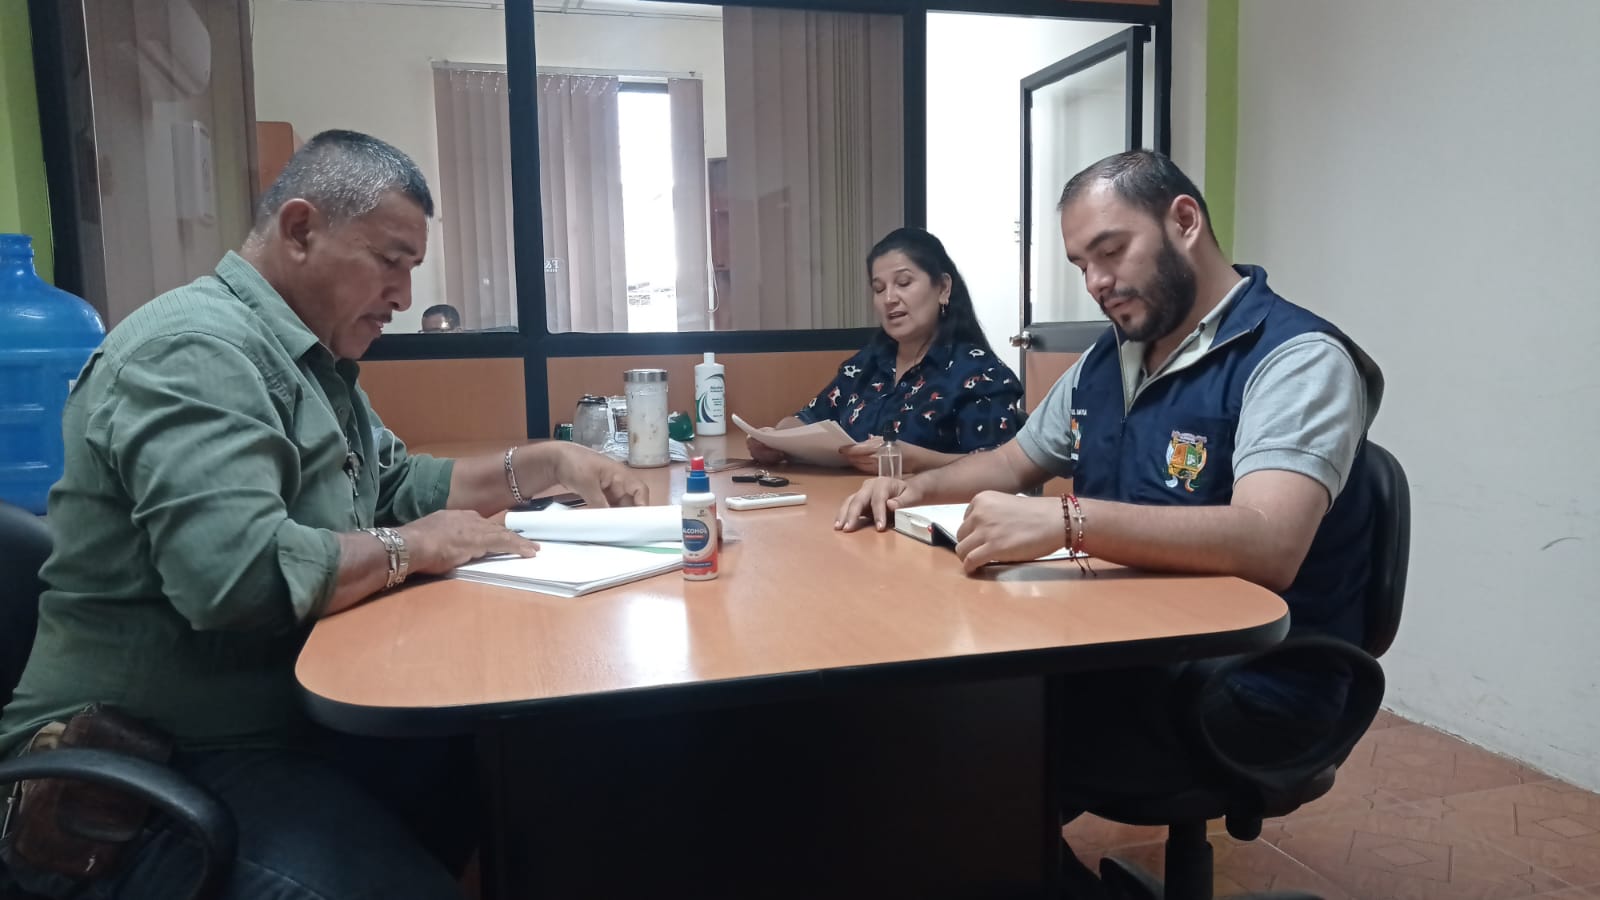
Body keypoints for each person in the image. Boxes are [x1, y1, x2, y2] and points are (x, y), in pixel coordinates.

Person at [0, 130, 648, 900]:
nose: (403, 297)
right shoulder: (193, 351)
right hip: (140, 773)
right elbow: (236, 578)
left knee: (514, 763)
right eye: (391, 262)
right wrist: (410, 549)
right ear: (301, 229)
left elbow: (398, 483)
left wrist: (546, 464)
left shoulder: (306, 361)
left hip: (279, 724)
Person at [835, 150, 1383, 885]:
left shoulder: (1294, 358)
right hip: (1126, 654)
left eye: (1111, 251)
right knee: (932, 717)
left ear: (1184, 221)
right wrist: (911, 489)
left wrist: (1069, 521)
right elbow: (1011, 461)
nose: (1096, 282)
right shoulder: (1111, 358)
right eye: (1081, 264)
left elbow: (1269, 539)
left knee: (968, 749)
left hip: (1252, 684)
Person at [746, 227, 1024, 475]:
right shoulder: (868, 362)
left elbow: (1001, 468)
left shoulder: (981, 373)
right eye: (879, 289)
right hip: (847, 503)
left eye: (903, 283)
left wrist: (916, 461)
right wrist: (774, 440)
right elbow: (808, 419)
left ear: (943, 288)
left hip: (926, 510)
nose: (889, 298)